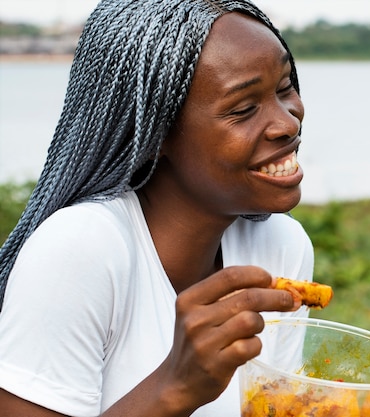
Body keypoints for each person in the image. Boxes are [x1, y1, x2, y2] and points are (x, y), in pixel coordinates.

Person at [0, 0, 314, 415]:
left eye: (284, 87)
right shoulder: (80, 250)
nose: (287, 123)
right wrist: (175, 389)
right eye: (243, 109)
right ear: (155, 133)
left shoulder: (281, 244)